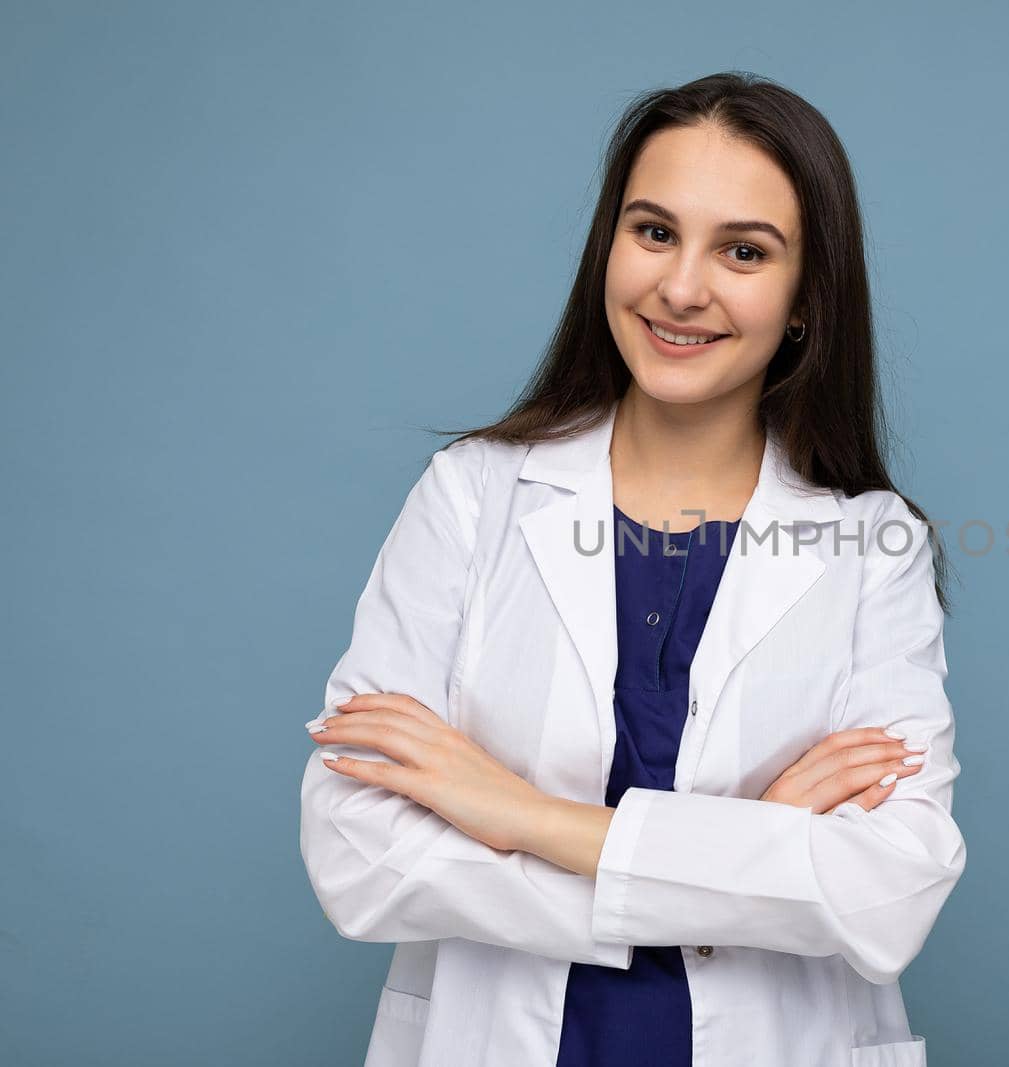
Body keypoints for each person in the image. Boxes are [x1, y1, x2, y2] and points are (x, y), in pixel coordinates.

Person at [299, 71, 965, 1067]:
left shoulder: (873, 547)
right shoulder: (471, 496)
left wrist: (519, 813)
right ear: (608, 245)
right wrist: (745, 847)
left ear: (801, 300)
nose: (682, 286)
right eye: (654, 231)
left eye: (743, 251)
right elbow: (356, 853)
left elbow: (892, 886)